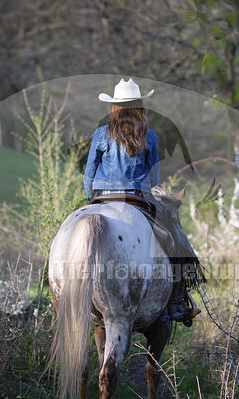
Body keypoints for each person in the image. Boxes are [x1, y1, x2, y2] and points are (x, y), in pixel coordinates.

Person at [84, 78, 204, 322]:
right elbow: (154, 177)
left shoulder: (100, 134)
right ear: (140, 107)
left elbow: (88, 175)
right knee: (174, 238)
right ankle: (178, 301)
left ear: (113, 107)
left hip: (101, 198)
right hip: (138, 197)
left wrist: (90, 200)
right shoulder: (150, 137)